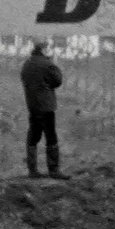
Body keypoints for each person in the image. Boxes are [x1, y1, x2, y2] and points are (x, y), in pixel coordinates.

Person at [20, 40, 69, 179]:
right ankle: (53, 170)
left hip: (32, 104)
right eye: (49, 48)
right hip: (46, 105)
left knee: (33, 136)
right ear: (43, 50)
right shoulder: (47, 64)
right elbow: (58, 81)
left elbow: (24, 79)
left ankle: (32, 169)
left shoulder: (27, 64)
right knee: (51, 137)